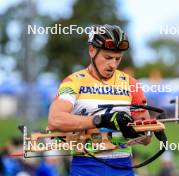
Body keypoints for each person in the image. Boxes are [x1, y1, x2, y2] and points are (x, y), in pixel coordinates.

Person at [48, 24, 150, 176]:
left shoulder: (131, 84)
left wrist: (148, 131)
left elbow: (146, 139)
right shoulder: (74, 82)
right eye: (108, 58)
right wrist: (100, 120)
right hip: (86, 166)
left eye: (118, 59)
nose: (113, 65)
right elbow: (55, 120)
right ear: (92, 50)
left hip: (123, 166)